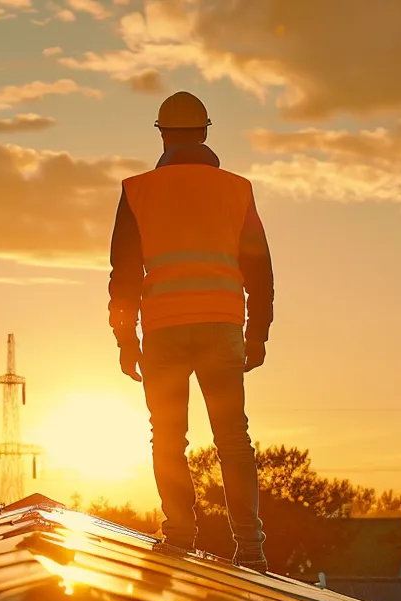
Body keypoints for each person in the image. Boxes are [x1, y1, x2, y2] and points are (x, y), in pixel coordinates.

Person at [107, 91, 275, 571]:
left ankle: (179, 534)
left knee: (167, 437)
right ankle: (250, 546)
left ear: (162, 134)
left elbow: (124, 273)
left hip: (162, 330)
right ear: (204, 132)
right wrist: (258, 331)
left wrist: (125, 338)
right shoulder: (236, 189)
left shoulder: (138, 189)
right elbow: (259, 268)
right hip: (223, 327)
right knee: (233, 439)